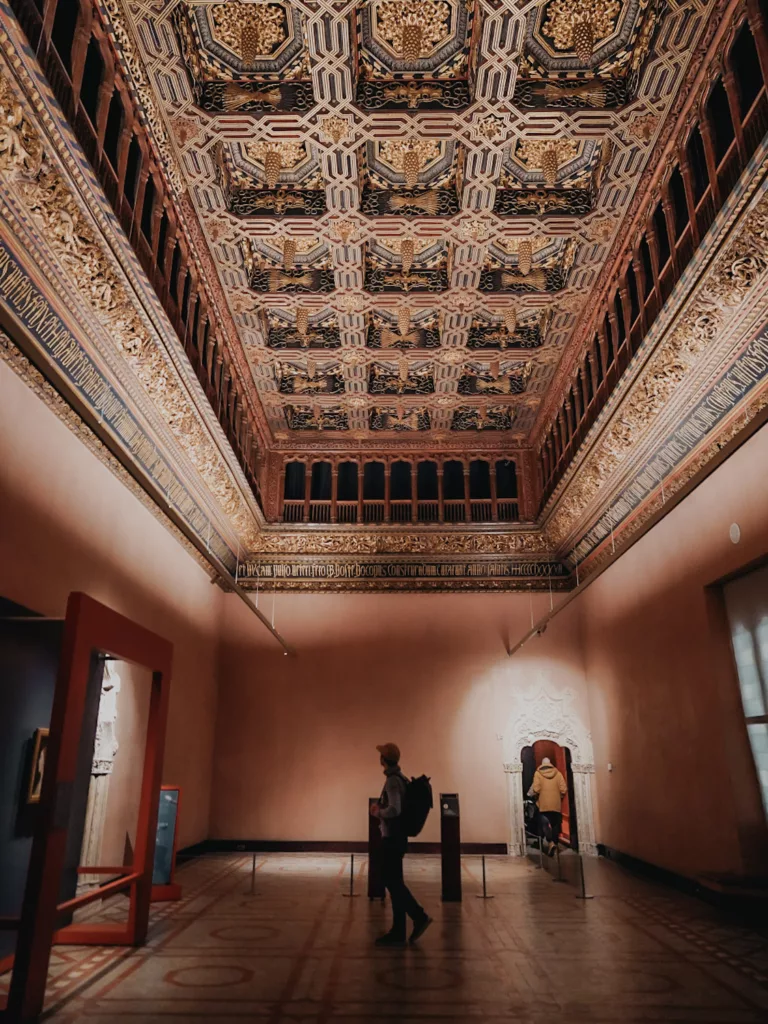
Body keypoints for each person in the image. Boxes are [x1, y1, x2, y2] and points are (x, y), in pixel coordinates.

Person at [370, 742, 432, 947]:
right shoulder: (400, 778)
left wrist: (378, 812)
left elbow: (395, 809)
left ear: (384, 759)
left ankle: (418, 916)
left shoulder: (392, 782)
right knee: (394, 881)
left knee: (391, 881)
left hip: (393, 838)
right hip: (398, 838)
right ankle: (398, 930)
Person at [529, 756, 567, 856]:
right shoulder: (558, 774)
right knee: (555, 825)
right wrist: (559, 797)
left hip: (543, 804)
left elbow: (536, 789)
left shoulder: (538, 774)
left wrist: (537, 796)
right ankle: (554, 843)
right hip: (556, 804)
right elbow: (563, 789)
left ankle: (550, 842)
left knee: (545, 824)